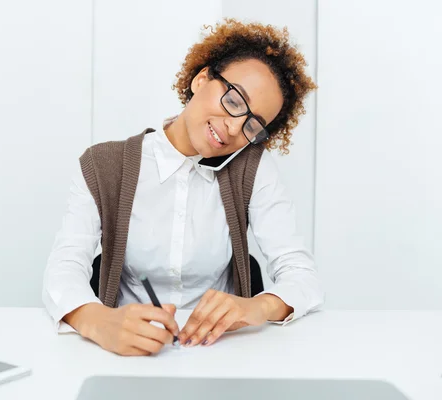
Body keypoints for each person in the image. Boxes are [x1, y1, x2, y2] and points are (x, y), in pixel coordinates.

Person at [42, 18, 324, 356]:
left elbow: (302, 275)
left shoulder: (254, 168)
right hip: (127, 355)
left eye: (253, 125)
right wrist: (97, 321)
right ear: (200, 79)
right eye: (234, 101)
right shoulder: (104, 165)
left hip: (220, 354)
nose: (235, 129)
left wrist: (257, 307)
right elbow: (63, 270)